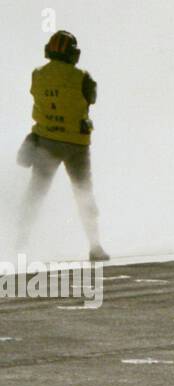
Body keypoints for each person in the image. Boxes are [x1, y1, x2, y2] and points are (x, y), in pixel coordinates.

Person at [16, 31, 109, 261]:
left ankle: (20, 244)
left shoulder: (37, 74)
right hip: (77, 144)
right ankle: (95, 247)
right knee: (83, 193)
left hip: (46, 141)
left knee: (36, 193)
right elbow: (91, 99)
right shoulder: (83, 77)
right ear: (73, 54)